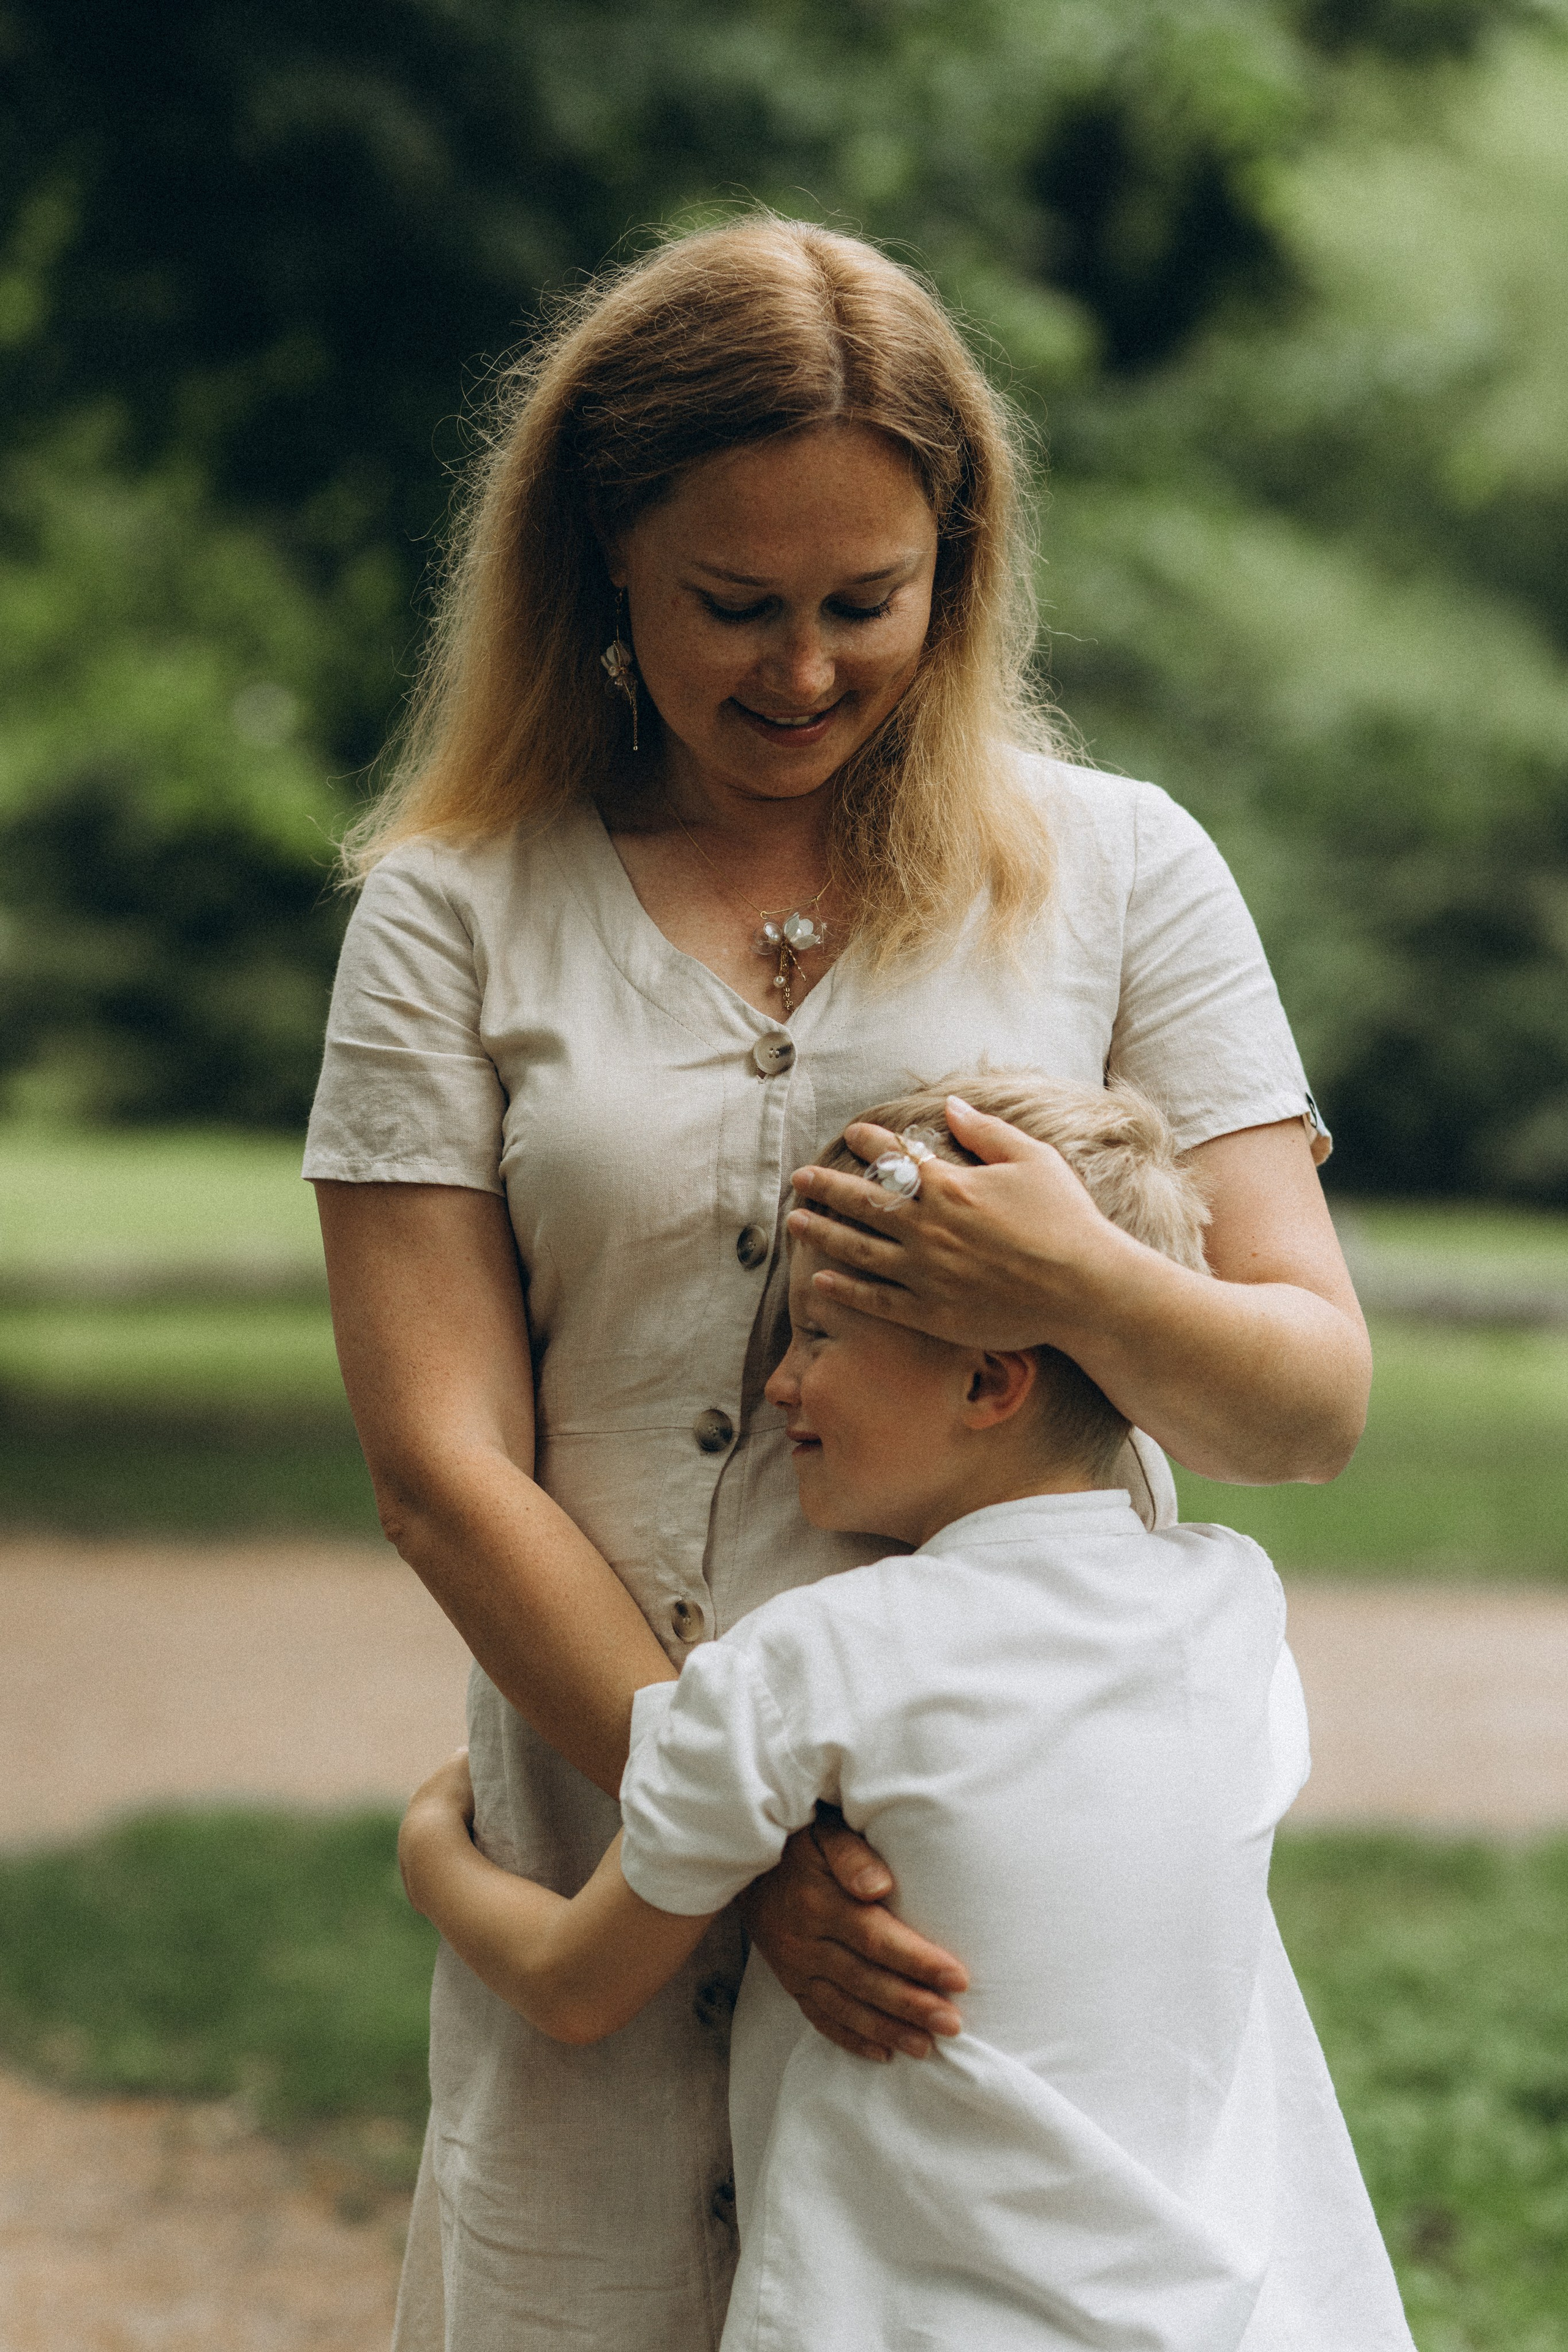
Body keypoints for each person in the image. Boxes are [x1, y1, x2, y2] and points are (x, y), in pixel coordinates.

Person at [303, 213, 1371, 2350]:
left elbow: (1304, 1405)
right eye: (733, 607)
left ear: (956, 573)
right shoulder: (451, 910)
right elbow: (442, 1460)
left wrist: (1076, 1276)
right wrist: (740, 1837)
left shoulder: (1129, 868)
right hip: (609, 1815)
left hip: (1001, 1919)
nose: (800, 673)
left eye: (862, 605)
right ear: (604, 557)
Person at [398, 1076, 1412, 2352]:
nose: (776, 1388)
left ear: (988, 1384)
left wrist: (434, 1853)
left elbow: (574, 1986)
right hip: (1200, 2313)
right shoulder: (1228, 1606)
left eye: (816, 1336)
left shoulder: (815, 1664)